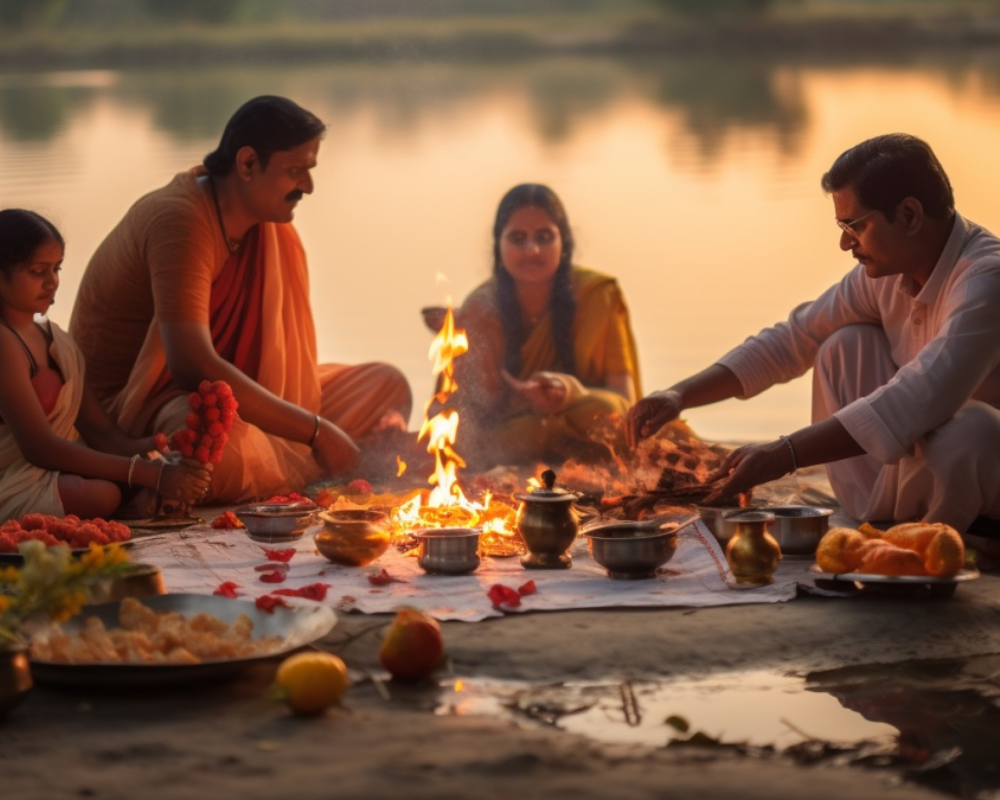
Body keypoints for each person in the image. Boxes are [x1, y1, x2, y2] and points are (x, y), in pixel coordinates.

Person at [628, 133, 1000, 534]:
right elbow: (794, 339)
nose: (844, 243)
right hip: (907, 479)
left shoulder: (986, 279)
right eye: (842, 225)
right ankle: (878, 519)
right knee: (842, 345)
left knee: (971, 431)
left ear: (909, 215)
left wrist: (784, 453)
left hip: (984, 479)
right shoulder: (883, 275)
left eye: (855, 225)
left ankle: (949, 535)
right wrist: (678, 395)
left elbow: (917, 398)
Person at [69, 96, 412, 503]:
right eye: (295, 171)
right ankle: (307, 457)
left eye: (309, 170)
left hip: (235, 390)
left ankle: (301, 455)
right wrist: (319, 431)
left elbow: (261, 370)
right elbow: (192, 367)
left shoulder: (263, 226)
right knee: (217, 452)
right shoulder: (181, 220)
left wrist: (316, 427)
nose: (308, 186)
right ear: (247, 164)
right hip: (143, 407)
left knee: (386, 386)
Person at [0, 209, 212, 522]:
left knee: (161, 466)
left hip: (54, 471)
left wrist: (154, 450)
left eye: (56, 269)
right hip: (14, 481)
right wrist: (149, 475)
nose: (52, 282)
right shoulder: (4, 342)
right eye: (37, 271)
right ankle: (130, 505)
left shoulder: (55, 338)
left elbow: (100, 431)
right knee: (104, 493)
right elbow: (39, 448)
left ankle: (134, 500)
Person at [444, 183, 641, 466]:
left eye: (545, 237)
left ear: (565, 243)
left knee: (609, 411)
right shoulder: (479, 306)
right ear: (498, 245)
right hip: (511, 434)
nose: (532, 250)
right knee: (521, 430)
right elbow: (461, 409)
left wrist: (570, 393)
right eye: (518, 238)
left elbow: (624, 399)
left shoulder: (600, 295)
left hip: (583, 422)